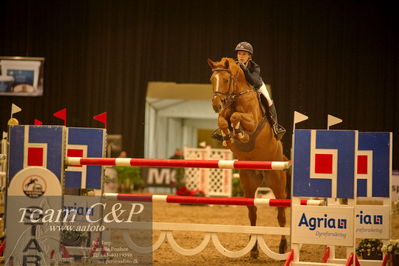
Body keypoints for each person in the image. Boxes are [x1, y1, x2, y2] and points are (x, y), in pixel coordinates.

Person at [234, 41, 286, 140]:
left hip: (256, 87)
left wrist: (244, 69)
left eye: (244, 54)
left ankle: (275, 127)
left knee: (268, 101)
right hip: (241, 90)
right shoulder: (234, 65)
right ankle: (222, 130)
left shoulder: (255, 67)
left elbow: (253, 81)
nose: (241, 56)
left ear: (249, 56)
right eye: (239, 53)